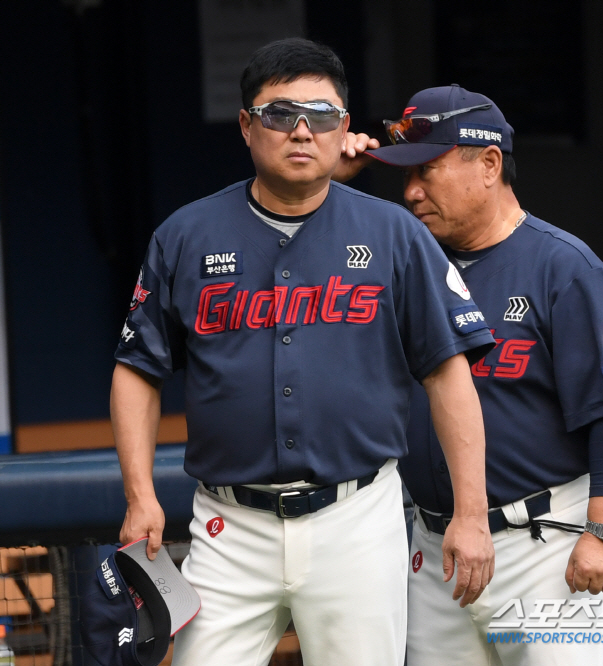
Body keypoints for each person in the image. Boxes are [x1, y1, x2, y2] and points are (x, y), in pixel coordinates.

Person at [110, 43, 496, 666]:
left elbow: (448, 376)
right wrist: (140, 496)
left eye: (320, 114)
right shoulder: (185, 235)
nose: (300, 129)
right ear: (245, 125)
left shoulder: (395, 234)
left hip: (358, 518)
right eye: (279, 112)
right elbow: (137, 372)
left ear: (344, 129)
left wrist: (471, 513)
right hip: (228, 525)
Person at [338, 84, 603, 665]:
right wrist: (329, 180)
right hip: (436, 552)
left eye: (426, 171)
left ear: (488, 165)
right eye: (404, 176)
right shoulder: (406, 265)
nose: (409, 192)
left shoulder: (566, 268)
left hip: (545, 548)